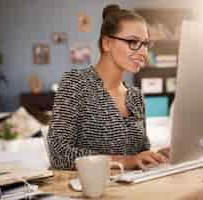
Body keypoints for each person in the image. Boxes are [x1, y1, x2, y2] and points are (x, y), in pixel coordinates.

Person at [47, 4, 170, 170]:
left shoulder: (136, 96)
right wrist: (124, 161)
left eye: (146, 44)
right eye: (133, 42)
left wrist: (156, 156)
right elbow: (58, 153)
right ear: (107, 43)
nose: (143, 53)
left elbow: (139, 155)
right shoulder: (76, 83)